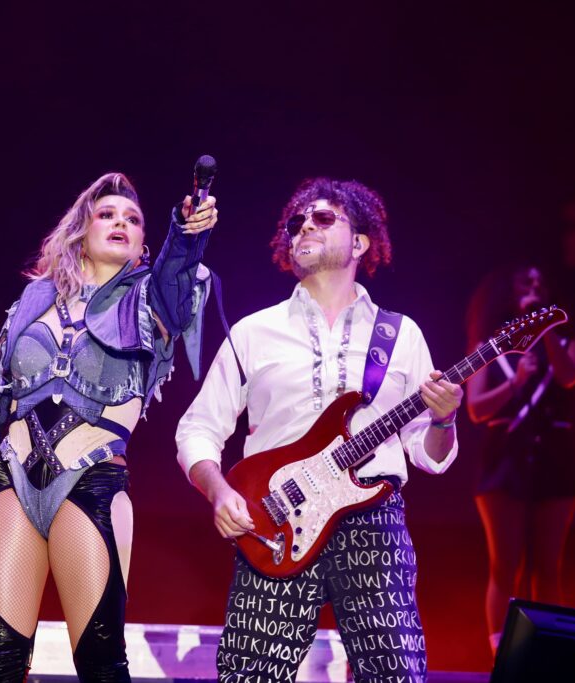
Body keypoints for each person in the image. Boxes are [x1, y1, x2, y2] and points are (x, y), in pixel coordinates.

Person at [176, 177, 462, 682]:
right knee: (251, 675)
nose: (305, 225)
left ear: (360, 242)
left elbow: (427, 452)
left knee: (394, 672)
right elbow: (199, 426)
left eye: (324, 218)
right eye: (297, 222)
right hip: (274, 521)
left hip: (372, 520)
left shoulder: (400, 334)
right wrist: (218, 491)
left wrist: (444, 418)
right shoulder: (254, 331)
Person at [0, 172, 218, 681]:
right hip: (12, 483)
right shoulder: (34, 299)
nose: (121, 222)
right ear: (82, 230)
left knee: (99, 662)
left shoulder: (151, 300)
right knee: (0, 664)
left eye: (133, 219)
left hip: (90, 483)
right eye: (107, 214)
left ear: (144, 242)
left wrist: (186, 233)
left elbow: (177, 275)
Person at [465, 265, 575, 654]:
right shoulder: (487, 346)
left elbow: (569, 377)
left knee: (548, 566)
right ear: (508, 291)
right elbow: (476, 409)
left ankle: (548, 655)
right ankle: (503, 656)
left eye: (540, 282)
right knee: (505, 565)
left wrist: (544, 328)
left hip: (554, 455)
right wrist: (515, 384)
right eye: (525, 282)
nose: (535, 288)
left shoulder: (567, 341)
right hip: (504, 459)